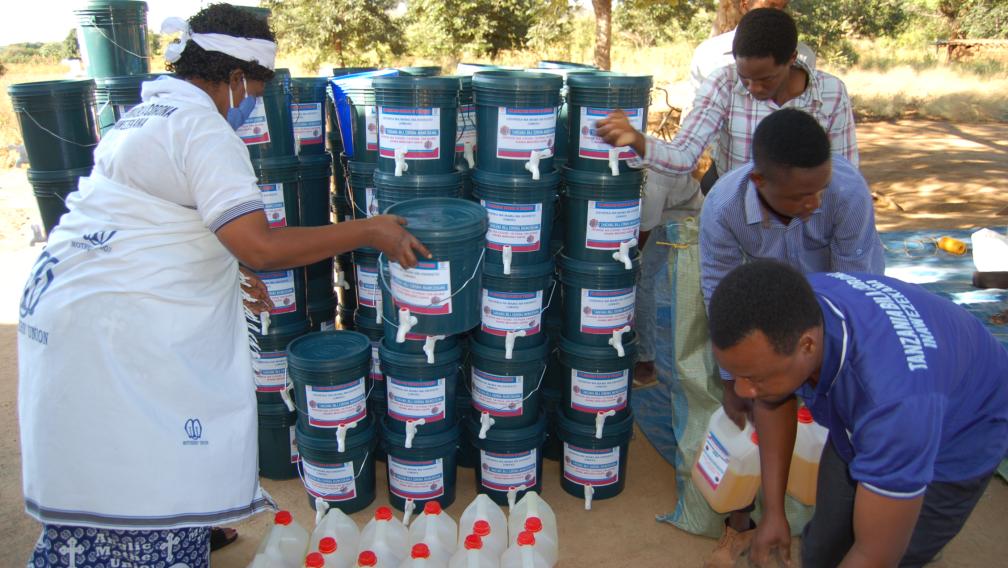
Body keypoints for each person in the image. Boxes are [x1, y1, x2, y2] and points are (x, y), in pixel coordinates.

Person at [17, 5, 428, 567]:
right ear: (235, 78)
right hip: (112, 325)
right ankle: (160, 537)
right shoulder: (204, 129)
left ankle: (181, 523)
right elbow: (259, 243)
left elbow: (152, 214)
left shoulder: (147, 112)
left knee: (110, 461)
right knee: (141, 459)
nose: (253, 104)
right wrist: (369, 229)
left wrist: (224, 267)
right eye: (254, 89)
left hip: (68, 299)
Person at [708, 260, 1008, 567]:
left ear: (807, 347)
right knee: (824, 546)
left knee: (901, 550)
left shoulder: (893, 408)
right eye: (738, 375)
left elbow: (874, 557)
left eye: (754, 378)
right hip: (897, 395)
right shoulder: (795, 307)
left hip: (962, 431)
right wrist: (773, 511)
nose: (743, 392)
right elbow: (773, 396)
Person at [605, 7, 840, 387]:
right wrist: (638, 140)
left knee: (796, 342)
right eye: (746, 77)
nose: (753, 88)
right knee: (726, 334)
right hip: (738, 226)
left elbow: (842, 174)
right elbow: (684, 155)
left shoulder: (830, 94)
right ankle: (721, 421)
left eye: (764, 79)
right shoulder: (724, 84)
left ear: (792, 60)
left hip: (803, 228)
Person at [697, 107, 884, 566]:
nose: (815, 202)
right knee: (749, 414)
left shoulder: (846, 193)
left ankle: (866, 526)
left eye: (820, 189)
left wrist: (832, 373)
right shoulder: (723, 208)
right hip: (772, 313)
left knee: (851, 427)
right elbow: (720, 294)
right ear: (761, 182)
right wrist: (732, 379)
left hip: (838, 315)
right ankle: (743, 526)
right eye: (802, 195)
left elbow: (857, 293)